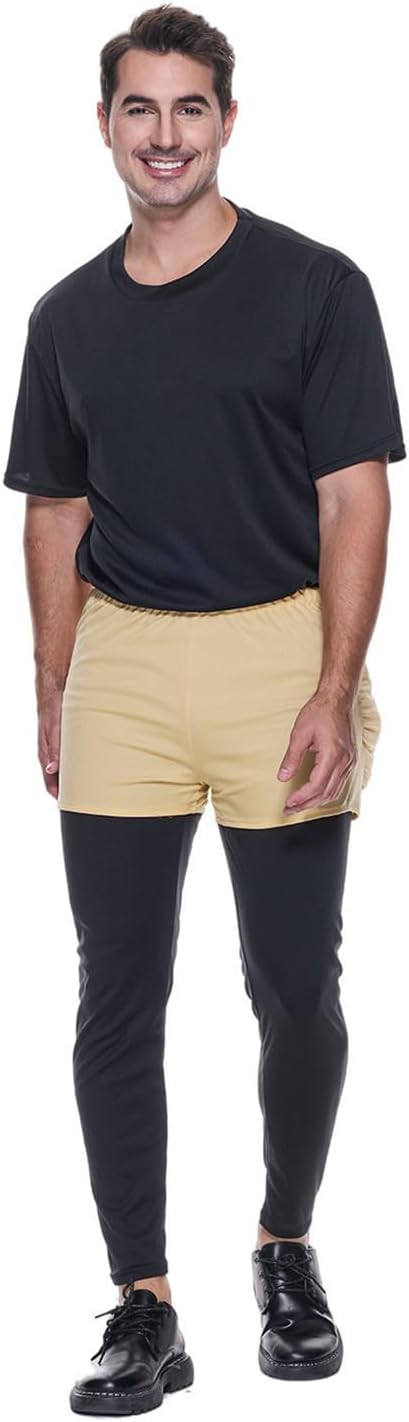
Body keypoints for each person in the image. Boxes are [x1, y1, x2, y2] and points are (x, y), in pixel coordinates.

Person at [3, 4, 406, 1411]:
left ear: (227, 120)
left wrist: (332, 684)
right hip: (121, 662)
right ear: (103, 125)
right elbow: (53, 512)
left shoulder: (315, 287)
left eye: (190, 107)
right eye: (140, 108)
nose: (164, 134)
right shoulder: (65, 315)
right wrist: (55, 685)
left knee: (294, 988)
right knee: (114, 992)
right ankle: (143, 1305)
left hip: (278, 654)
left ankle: (285, 1247)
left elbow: (355, 498)